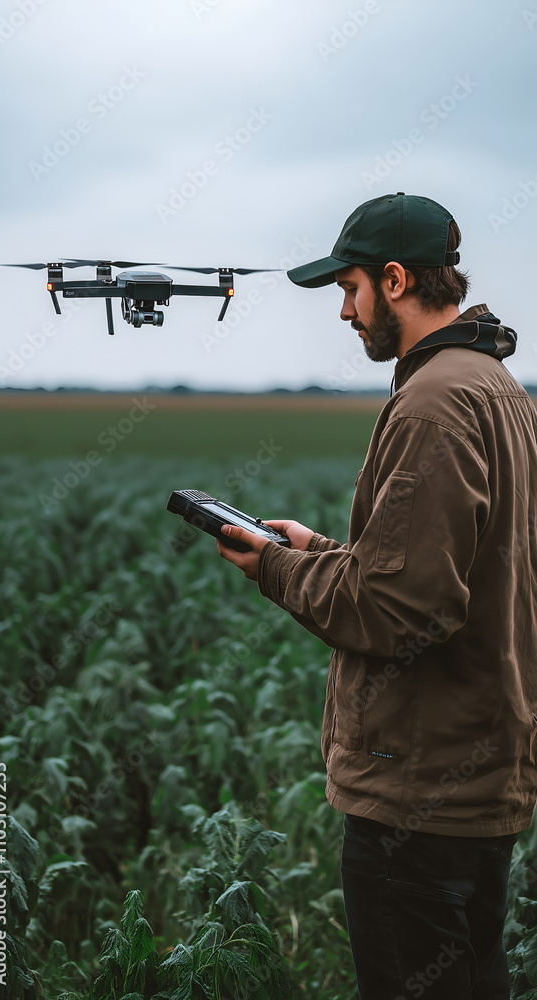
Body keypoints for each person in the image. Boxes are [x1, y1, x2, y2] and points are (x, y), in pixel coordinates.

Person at [215, 191, 537, 999]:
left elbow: (402, 612)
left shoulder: (434, 405)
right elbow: (444, 575)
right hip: (475, 775)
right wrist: (320, 552)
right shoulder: (496, 387)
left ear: (394, 280)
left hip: (418, 789)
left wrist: (274, 570)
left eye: (349, 290)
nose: (344, 312)